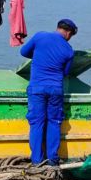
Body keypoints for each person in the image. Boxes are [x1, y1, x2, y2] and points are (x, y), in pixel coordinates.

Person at [20, 19, 77, 165]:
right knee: (54, 122)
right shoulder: (69, 50)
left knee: (37, 123)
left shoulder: (40, 36)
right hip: (55, 90)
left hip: (37, 88)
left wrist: (39, 55)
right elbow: (65, 72)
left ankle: (37, 161)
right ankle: (52, 160)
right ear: (68, 33)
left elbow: (23, 52)